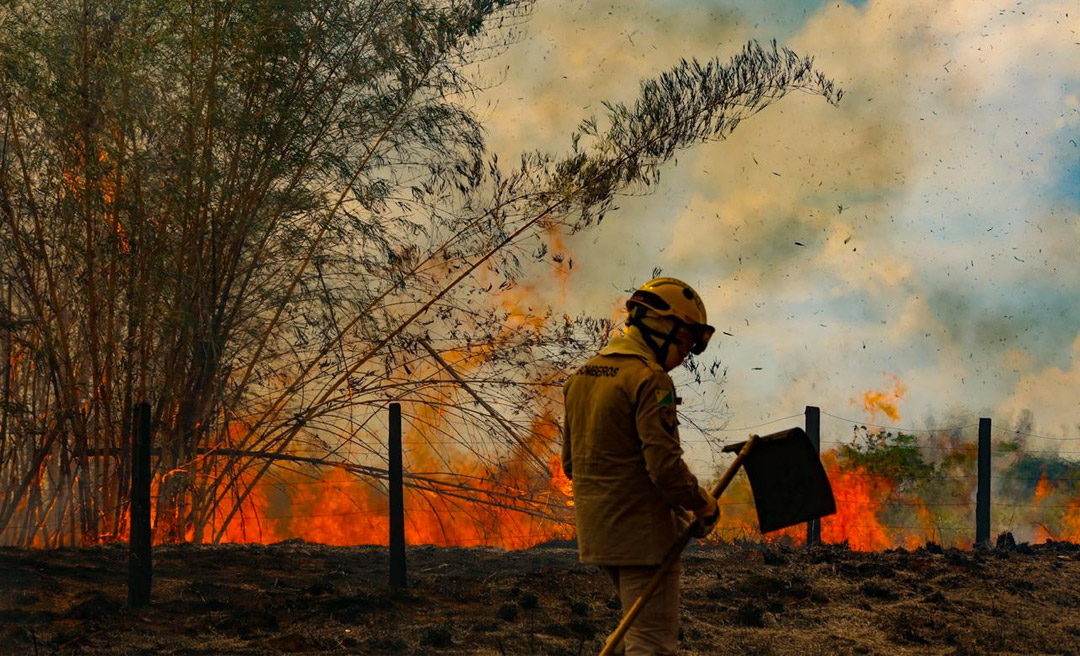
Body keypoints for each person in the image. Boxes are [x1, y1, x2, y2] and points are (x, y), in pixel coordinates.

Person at [562, 276, 720, 656]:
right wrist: (702, 503)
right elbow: (665, 468)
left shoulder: (581, 377)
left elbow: (571, 464)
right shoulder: (650, 379)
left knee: (632, 636)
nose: (686, 353)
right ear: (659, 324)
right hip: (644, 539)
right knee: (651, 644)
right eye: (684, 339)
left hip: (600, 535)